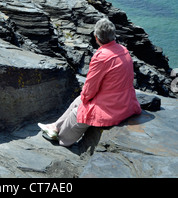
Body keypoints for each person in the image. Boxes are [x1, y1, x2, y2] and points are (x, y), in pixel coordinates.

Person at [38, 17, 142, 147]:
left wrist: (85, 100)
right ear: (113, 35)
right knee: (78, 100)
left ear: (96, 37)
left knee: (79, 113)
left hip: (111, 109)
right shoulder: (123, 50)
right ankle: (54, 126)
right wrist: (83, 99)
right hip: (126, 102)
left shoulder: (101, 57)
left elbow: (90, 89)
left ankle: (61, 137)